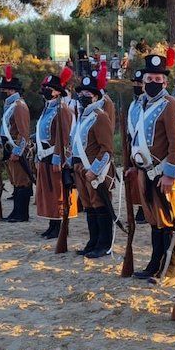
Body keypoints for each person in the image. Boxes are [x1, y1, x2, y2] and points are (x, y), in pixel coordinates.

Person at [128, 50, 175, 281]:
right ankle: (154, 262)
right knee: (153, 220)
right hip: (144, 171)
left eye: (157, 79)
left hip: (162, 173)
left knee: (167, 220)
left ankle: (169, 267)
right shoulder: (141, 104)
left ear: (165, 81)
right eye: (149, 79)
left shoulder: (170, 104)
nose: (152, 83)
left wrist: (169, 175)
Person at [71, 71, 116, 258]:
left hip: (96, 171)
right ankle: (94, 240)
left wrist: (95, 170)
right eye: (81, 94)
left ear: (96, 96)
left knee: (100, 205)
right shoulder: (83, 117)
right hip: (82, 169)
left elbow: (107, 149)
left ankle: (104, 244)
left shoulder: (100, 116)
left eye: (88, 95)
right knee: (89, 206)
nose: (83, 97)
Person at [35, 67, 79, 239]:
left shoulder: (63, 110)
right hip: (44, 155)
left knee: (58, 193)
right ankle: (52, 224)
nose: (45, 91)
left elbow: (64, 138)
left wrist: (57, 159)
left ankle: (59, 226)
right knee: (48, 193)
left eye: (48, 88)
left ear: (56, 92)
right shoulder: (48, 109)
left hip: (55, 157)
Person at [0, 65, 33, 223]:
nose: (2, 91)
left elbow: (23, 132)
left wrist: (17, 151)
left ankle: (22, 214)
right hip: (9, 148)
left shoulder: (19, 106)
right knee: (16, 182)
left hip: (17, 150)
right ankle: (16, 212)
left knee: (22, 181)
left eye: (4, 89)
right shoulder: (10, 105)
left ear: (10, 90)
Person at [127, 69, 148, 225]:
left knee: (146, 179)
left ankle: (145, 208)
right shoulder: (133, 103)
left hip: (145, 146)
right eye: (135, 83)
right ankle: (140, 207)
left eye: (140, 83)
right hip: (134, 144)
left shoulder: (148, 102)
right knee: (136, 180)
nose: (137, 85)